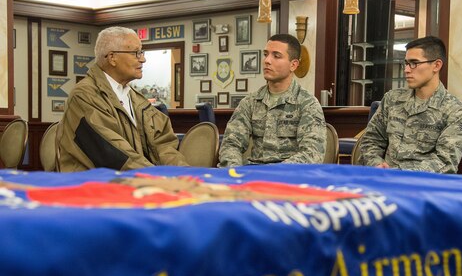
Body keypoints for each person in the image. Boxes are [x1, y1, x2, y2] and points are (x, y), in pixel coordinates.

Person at [57, 26, 188, 172]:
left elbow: (164, 146)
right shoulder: (85, 95)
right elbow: (114, 155)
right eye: (136, 53)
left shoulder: (137, 100)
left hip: (133, 183)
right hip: (94, 187)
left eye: (141, 52)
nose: (143, 59)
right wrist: (157, 177)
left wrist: (185, 174)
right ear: (112, 58)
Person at [357, 36, 462, 173]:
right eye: (406, 63)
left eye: (414, 63)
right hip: (383, 179)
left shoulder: (455, 110)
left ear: (436, 65)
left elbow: (445, 162)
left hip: (421, 186)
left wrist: (398, 174)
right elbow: (371, 140)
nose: (407, 69)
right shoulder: (392, 99)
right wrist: (376, 163)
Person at [218, 34, 326, 167]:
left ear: (293, 65)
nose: (267, 60)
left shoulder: (307, 104)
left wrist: (274, 172)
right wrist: (234, 172)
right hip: (253, 175)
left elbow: (312, 154)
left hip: (287, 178)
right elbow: (230, 144)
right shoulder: (250, 102)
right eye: (265, 54)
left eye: (276, 56)